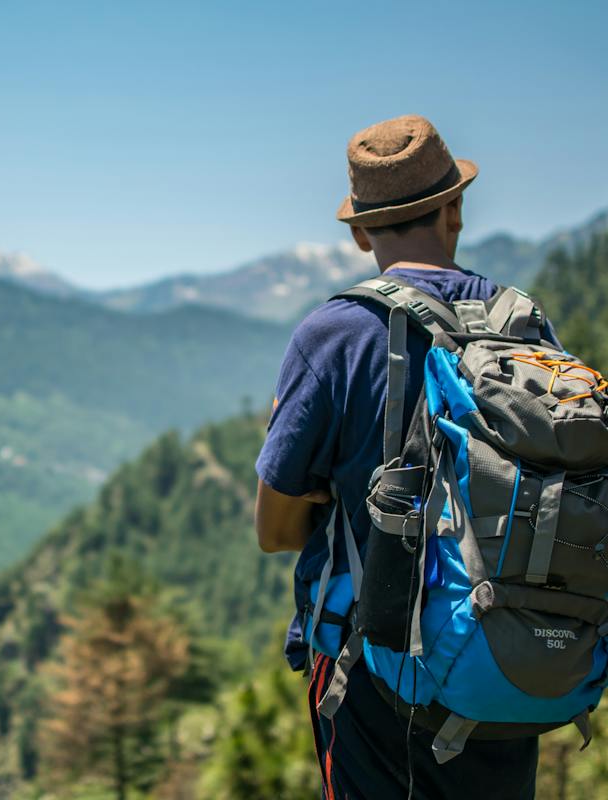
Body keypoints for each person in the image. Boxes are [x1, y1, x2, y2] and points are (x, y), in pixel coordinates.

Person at [253, 115, 540, 799]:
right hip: (506, 664)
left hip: (377, 675)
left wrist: (327, 489)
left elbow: (274, 532)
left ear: (360, 233)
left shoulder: (335, 335)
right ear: (455, 209)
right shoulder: (523, 326)